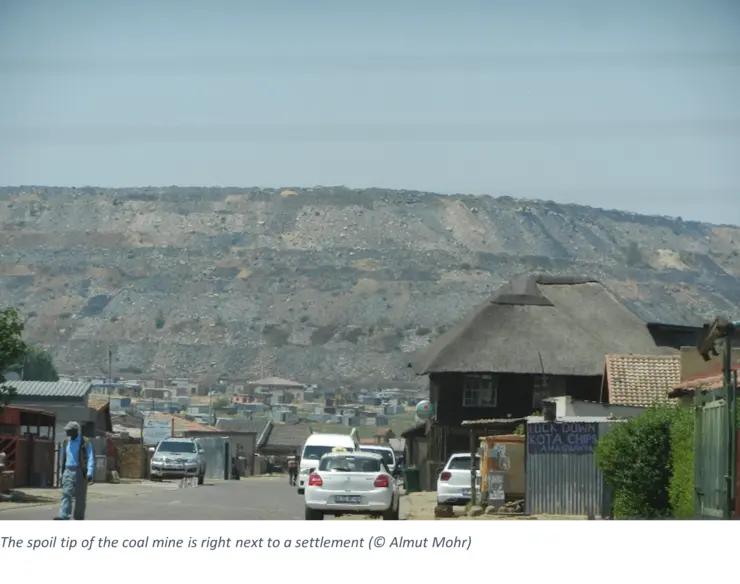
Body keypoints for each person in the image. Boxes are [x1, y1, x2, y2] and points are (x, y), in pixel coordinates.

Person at [54, 421, 94, 523]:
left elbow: (90, 457)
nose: (66, 432)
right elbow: (62, 458)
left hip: (80, 472)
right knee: (66, 494)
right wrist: (60, 472)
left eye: (69, 430)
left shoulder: (84, 442)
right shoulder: (65, 442)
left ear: (75, 431)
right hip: (68, 471)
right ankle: (63, 516)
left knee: (80, 498)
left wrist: (90, 472)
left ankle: (78, 519)